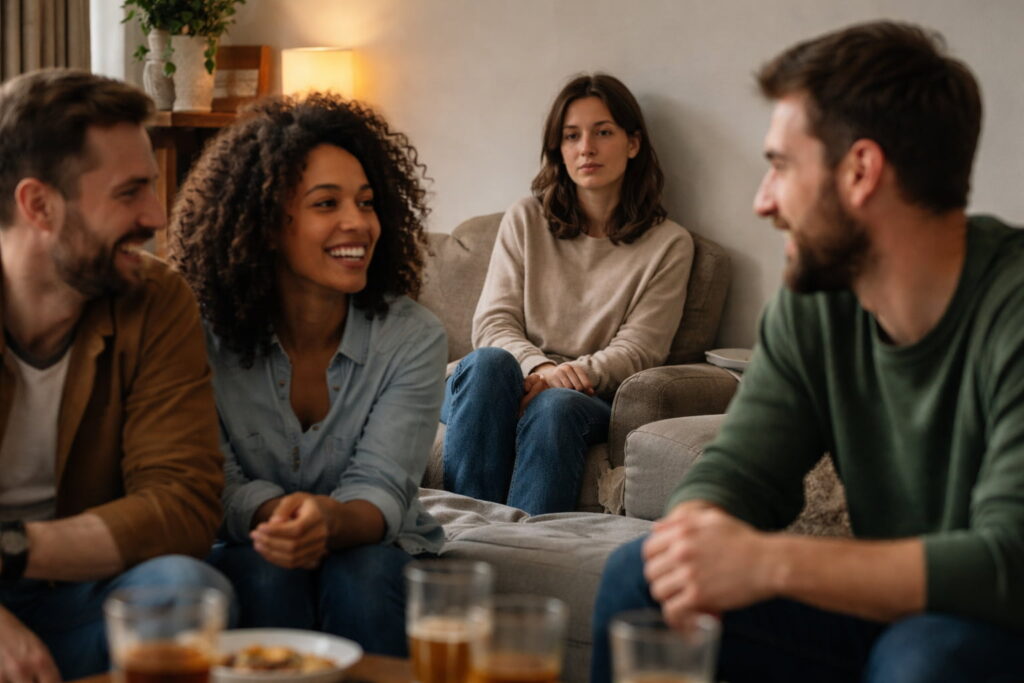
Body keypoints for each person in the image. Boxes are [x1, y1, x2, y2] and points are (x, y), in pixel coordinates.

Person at [589, 21, 1024, 683]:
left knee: (929, 659)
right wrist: (696, 539)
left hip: (998, 627)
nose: (763, 202)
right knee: (639, 576)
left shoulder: (1011, 307)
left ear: (860, 172)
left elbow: (1007, 562)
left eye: (781, 166)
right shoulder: (818, 300)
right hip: (890, 616)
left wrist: (767, 562)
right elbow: (741, 469)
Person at [169, 93, 447, 656]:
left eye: (366, 203)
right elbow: (209, 480)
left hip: (372, 544)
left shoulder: (412, 337)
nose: (358, 223)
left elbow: (384, 485)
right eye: (327, 204)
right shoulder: (198, 334)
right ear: (266, 222)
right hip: (250, 542)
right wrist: (277, 517)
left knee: (365, 576)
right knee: (264, 572)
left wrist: (332, 521)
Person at [0, 69, 231, 681]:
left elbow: (182, 504)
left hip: (87, 592)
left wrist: (14, 552)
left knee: (186, 590)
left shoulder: (156, 299)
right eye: (130, 192)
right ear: (39, 205)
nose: (158, 215)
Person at [441, 73, 694, 515]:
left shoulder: (669, 245)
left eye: (603, 133)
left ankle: (532, 550)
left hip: (582, 395)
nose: (586, 149)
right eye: (571, 136)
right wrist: (538, 366)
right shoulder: (525, 218)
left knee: (556, 406)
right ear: (558, 148)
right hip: (503, 380)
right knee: (487, 364)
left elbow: (641, 349)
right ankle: (466, 536)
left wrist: (564, 376)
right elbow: (492, 322)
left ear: (633, 144)